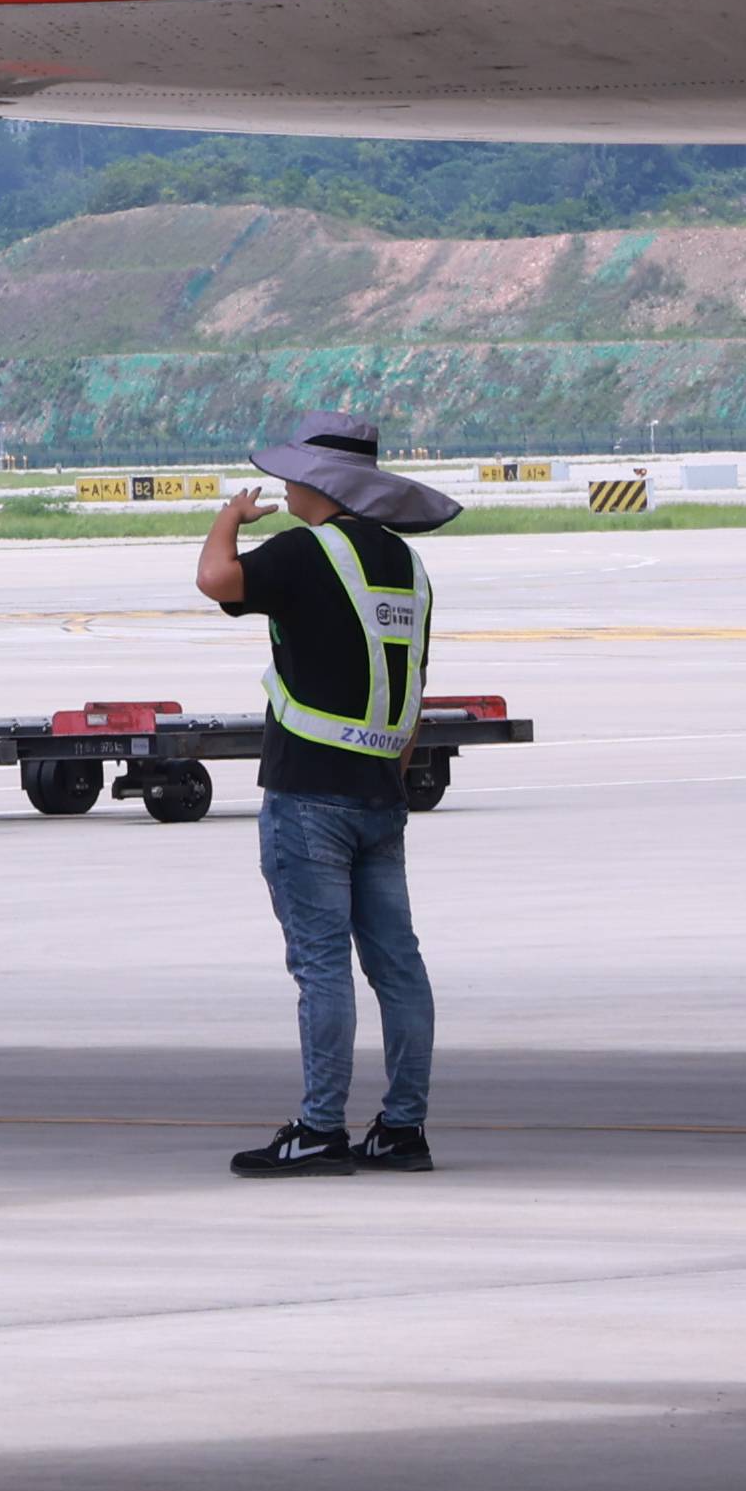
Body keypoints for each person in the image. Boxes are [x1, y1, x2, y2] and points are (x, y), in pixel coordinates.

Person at [192, 415, 460, 1177]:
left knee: (321, 967)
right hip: (380, 792)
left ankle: (318, 1128)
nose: (282, 486)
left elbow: (216, 580)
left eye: (291, 474)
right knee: (398, 966)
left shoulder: (305, 552)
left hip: (309, 793)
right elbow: (412, 690)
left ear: (318, 483)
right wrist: (393, 783)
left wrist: (228, 518)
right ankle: (402, 1128)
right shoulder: (408, 566)